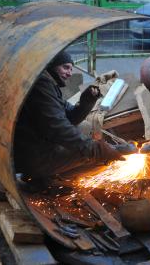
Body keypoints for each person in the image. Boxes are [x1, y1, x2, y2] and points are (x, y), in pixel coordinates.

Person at [14, 51, 124, 185]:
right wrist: (95, 149)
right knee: (97, 159)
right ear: (53, 65)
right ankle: (45, 181)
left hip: (34, 149)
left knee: (84, 129)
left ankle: (45, 176)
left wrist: (87, 101)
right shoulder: (41, 84)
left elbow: (70, 116)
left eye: (71, 69)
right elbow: (58, 127)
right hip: (33, 159)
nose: (69, 73)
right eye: (65, 67)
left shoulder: (49, 84)